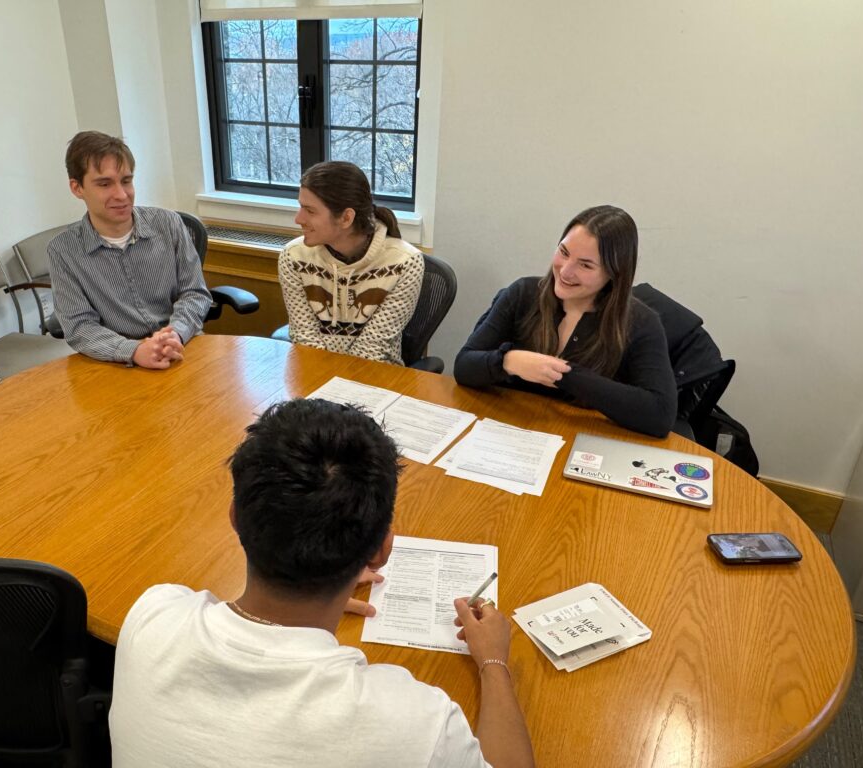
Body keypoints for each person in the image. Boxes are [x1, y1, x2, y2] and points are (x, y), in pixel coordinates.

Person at [109, 399, 535, 768]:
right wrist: (493, 662)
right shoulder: (413, 723)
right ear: (381, 550)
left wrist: (309, 570)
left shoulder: (152, 615)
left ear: (235, 517)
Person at [454, 205, 677, 437]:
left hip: (581, 441)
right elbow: (464, 366)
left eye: (585, 265)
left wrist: (563, 375)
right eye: (564, 252)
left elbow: (660, 416)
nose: (565, 271)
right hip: (506, 431)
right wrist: (509, 361)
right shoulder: (522, 294)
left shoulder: (640, 323)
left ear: (614, 273)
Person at [47, 131, 212, 369]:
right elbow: (79, 327)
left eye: (126, 181)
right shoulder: (63, 251)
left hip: (179, 348)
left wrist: (174, 334)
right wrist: (134, 351)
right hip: (115, 362)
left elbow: (195, 293)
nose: (122, 195)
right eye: (104, 184)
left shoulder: (168, 223)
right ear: (77, 188)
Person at [279, 161, 424, 365]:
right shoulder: (294, 257)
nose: (298, 219)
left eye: (310, 211)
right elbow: (305, 341)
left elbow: (372, 349)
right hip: (314, 372)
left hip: (374, 375)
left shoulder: (405, 263)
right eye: (300, 207)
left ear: (346, 218)